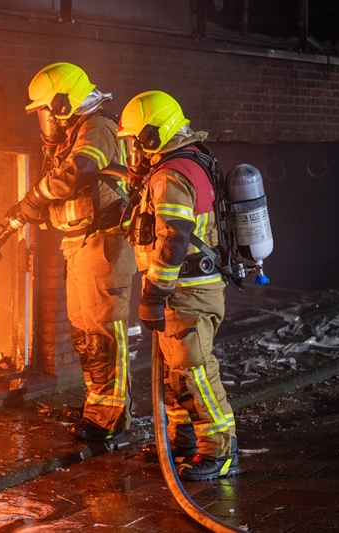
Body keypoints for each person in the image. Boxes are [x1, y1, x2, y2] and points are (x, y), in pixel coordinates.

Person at [7, 62, 136, 442]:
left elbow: (79, 171)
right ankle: (98, 405)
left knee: (104, 334)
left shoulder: (97, 128)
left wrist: (33, 199)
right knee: (85, 336)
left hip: (104, 245)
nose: (45, 117)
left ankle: (109, 418)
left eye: (47, 108)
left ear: (64, 103)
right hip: (81, 245)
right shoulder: (77, 133)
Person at [116, 90, 240, 481]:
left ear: (152, 136)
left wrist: (153, 295)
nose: (134, 149)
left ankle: (219, 452)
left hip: (188, 291)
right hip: (185, 290)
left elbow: (175, 237)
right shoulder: (188, 161)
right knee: (177, 374)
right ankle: (180, 442)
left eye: (136, 140)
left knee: (196, 372)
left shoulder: (171, 173)